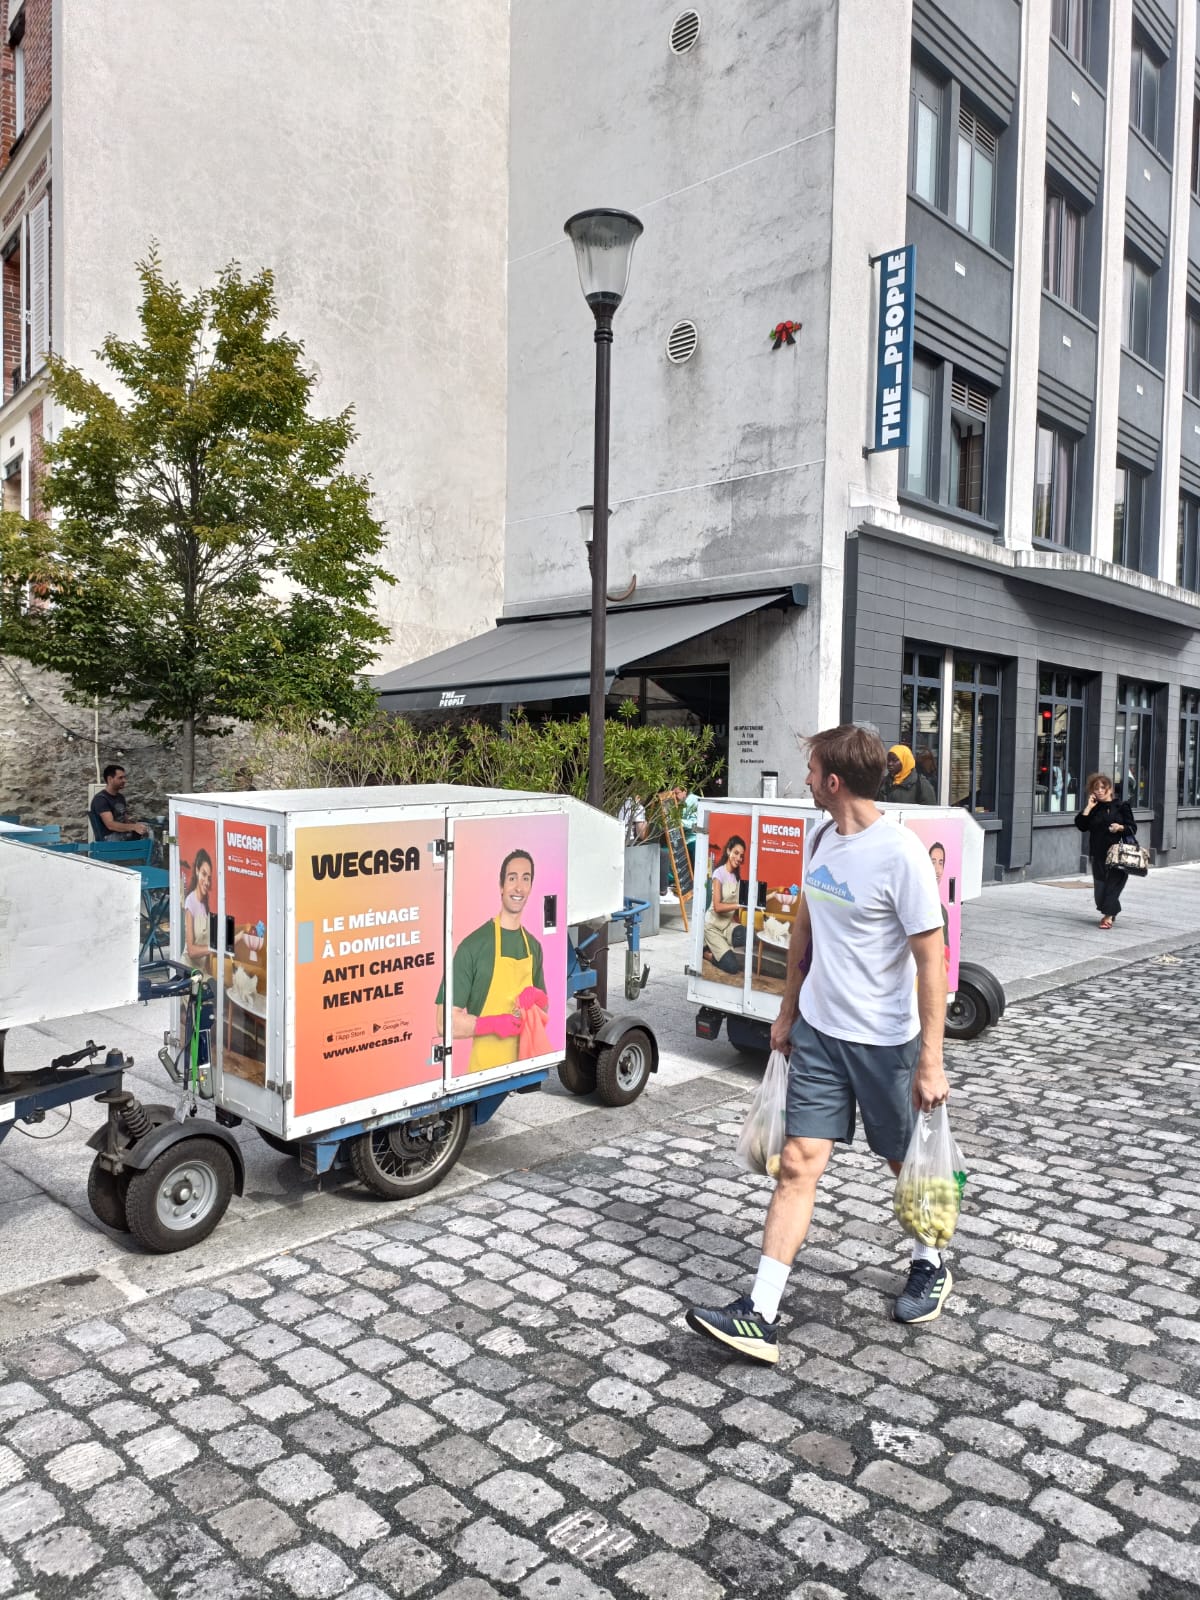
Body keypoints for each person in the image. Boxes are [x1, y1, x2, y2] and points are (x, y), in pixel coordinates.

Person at [686, 724, 951, 1364]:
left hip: (886, 1044)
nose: (804, 780)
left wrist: (931, 1057)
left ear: (833, 781)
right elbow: (805, 920)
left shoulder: (901, 855)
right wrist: (786, 1010)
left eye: (810, 772)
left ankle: (931, 1261)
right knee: (798, 1165)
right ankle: (761, 1312)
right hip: (820, 1035)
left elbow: (932, 960)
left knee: (902, 1162)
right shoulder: (822, 836)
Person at [436, 849, 546, 1073]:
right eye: (512, 878)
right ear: (501, 886)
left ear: (531, 887)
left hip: (523, 1065)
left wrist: (538, 997)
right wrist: (493, 1024)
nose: (519, 887)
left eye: (526, 879)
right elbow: (443, 1023)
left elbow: (544, 1010)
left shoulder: (533, 946)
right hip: (483, 1070)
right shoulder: (473, 946)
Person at [1074, 773, 1136, 929]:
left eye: (1103, 787)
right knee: (1100, 889)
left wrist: (1120, 827)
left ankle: (1107, 917)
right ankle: (1111, 909)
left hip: (1119, 854)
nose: (1100, 791)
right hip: (1098, 853)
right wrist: (1088, 807)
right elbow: (1081, 825)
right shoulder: (1094, 808)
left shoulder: (1122, 806)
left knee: (1113, 886)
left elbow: (1132, 828)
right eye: (1096, 789)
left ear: (1110, 789)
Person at [703, 835, 746, 973]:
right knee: (732, 967)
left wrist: (772, 896)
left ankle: (721, 946)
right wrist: (738, 906)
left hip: (727, 926)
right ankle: (706, 953)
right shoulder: (718, 874)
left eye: (741, 855)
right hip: (713, 926)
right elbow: (717, 907)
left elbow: (738, 909)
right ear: (728, 851)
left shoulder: (736, 877)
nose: (739, 858)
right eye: (736, 853)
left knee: (747, 934)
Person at [89, 765, 150, 841]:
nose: (124, 780)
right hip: (109, 838)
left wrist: (137, 825)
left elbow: (125, 820)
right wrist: (134, 827)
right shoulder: (101, 799)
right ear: (110, 779)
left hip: (121, 834)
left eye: (124, 777)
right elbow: (110, 825)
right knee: (147, 836)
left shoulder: (120, 797)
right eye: (120, 778)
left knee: (147, 828)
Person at [183, 848, 214, 965]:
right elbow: (191, 951)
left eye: (209, 878)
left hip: (205, 971)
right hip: (190, 971)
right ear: (197, 870)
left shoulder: (206, 904)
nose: (206, 881)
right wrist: (216, 949)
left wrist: (241, 936)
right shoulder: (190, 902)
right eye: (204, 874)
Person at [929, 841, 950, 972]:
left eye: (940, 863)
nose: (937, 869)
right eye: (933, 862)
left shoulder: (942, 911)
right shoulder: (914, 903)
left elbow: (946, 952)